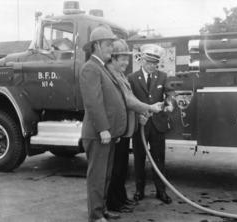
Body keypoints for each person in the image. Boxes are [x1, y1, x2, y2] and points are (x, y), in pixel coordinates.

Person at [105, 39, 163, 213]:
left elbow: (128, 102)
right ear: (113, 59)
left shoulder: (121, 75)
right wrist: (149, 108)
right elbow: (129, 101)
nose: (125, 62)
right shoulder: (111, 74)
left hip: (125, 129)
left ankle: (121, 199)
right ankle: (114, 203)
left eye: (127, 59)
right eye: (122, 59)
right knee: (115, 170)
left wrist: (139, 115)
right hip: (116, 129)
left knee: (121, 168)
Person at [79, 25, 127, 222]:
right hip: (99, 134)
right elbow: (93, 102)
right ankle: (96, 215)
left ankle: (102, 209)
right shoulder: (90, 68)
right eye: (108, 45)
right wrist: (104, 129)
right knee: (97, 177)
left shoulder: (101, 68)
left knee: (105, 175)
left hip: (107, 134)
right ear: (97, 45)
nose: (112, 49)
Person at [128, 44, 174, 204]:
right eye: (149, 62)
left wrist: (170, 102)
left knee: (158, 159)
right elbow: (130, 101)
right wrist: (137, 115)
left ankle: (161, 191)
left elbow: (168, 93)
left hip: (157, 125)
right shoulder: (132, 78)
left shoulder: (162, 76)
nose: (152, 65)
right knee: (139, 158)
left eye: (155, 62)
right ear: (142, 61)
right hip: (140, 125)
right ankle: (139, 191)